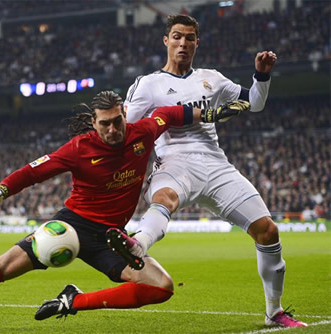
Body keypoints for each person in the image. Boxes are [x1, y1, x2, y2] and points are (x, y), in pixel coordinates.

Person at [0, 90, 245, 320]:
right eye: (106, 124)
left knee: (160, 287)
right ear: (94, 123)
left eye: (118, 120)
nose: (114, 129)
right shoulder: (79, 148)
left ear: (123, 115)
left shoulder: (142, 132)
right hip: (71, 225)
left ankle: (73, 302)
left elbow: (172, 113)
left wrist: (210, 114)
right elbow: (32, 172)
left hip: (112, 237)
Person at [107, 14, 306, 328]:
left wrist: (261, 76)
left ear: (197, 43)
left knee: (268, 232)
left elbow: (253, 103)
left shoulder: (212, 78)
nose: (183, 43)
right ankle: (137, 245)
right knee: (165, 197)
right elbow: (127, 129)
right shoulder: (148, 84)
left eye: (189, 38)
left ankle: (274, 312)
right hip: (174, 161)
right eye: (176, 36)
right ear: (166, 41)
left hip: (215, 165)